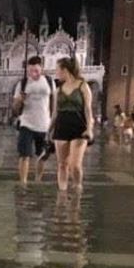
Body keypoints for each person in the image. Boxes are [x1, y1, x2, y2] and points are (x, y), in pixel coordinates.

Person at [50, 57, 93, 192]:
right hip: (61, 126)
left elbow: (87, 109)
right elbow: (55, 112)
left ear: (65, 70)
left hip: (79, 127)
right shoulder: (58, 90)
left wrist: (89, 129)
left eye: (57, 69)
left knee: (75, 165)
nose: (56, 72)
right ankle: (62, 194)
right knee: (62, 164)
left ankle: (77, 188)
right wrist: (49, 130)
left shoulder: (82, 86)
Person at [12, 56, 55, 185]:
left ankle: (38, 180)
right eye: (30, 71)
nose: (33, 74)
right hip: (26, 123)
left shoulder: (49, 81)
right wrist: (19, 99)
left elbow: (54, 103)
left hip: (44, 124)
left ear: (41, 68)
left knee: (42, 156)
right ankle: (23, 182)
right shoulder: (22, 84)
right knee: (24, 155)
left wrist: (53, 122)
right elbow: (15, 108)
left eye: (36, 70)